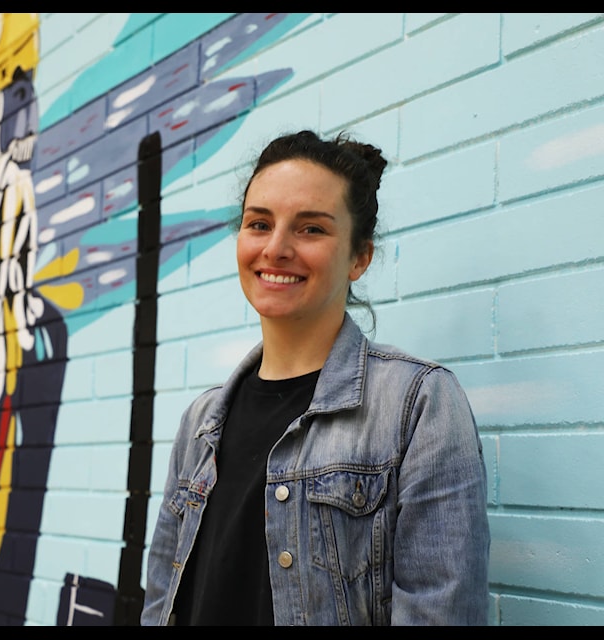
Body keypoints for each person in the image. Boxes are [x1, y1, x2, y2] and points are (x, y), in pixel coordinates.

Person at [140, 130, 490, 626]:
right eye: (259, 223)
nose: (277, 248)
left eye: (311, 229)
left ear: (359, 257)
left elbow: (442, 612)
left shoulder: (418, 404)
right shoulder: (201, 422)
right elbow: (162, 600)